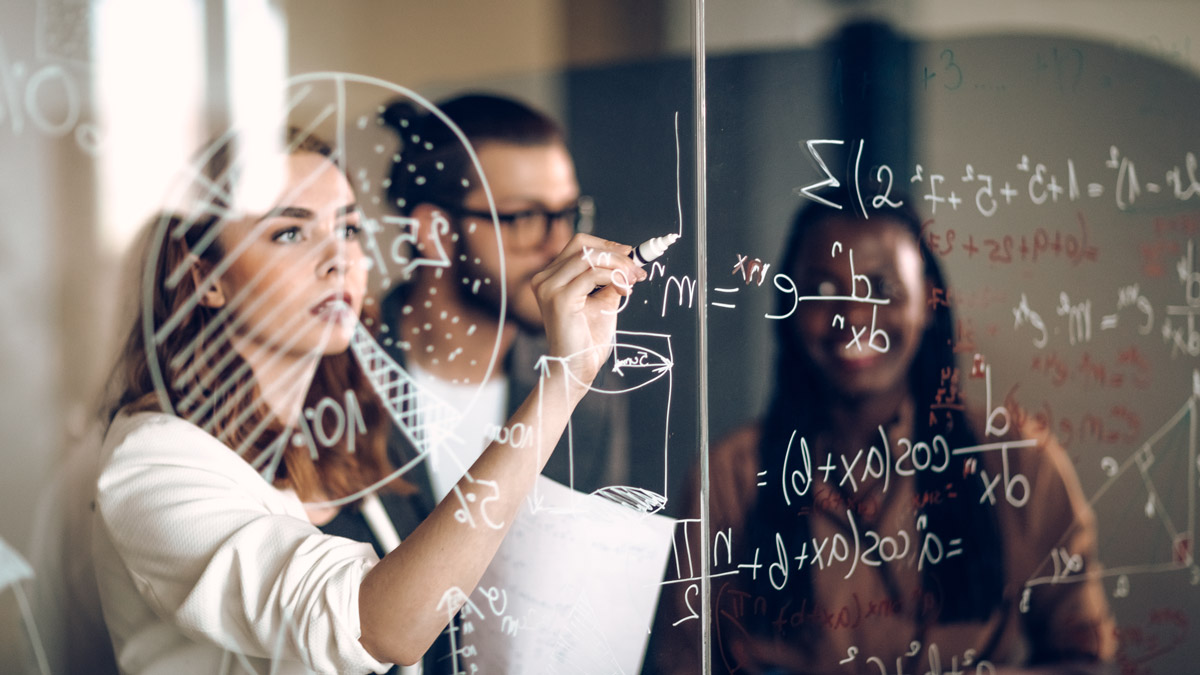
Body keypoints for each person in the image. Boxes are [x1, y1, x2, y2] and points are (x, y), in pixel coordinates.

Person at [91, 126, 648, 674]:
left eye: (350, 229)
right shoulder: (154, 461)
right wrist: (566, 378)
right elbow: (378, 628)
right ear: (203, 274)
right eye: (289, 232)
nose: (339, 259)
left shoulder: (344, 428)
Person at [655, 193, 1115, 674]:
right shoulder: (733, 475)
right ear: (790, 309)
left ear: (930, 302)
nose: (854, 316)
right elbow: (682, 663)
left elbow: (1086, 659)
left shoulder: (1017, 459)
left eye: (882, 289)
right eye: (825, 291)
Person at [365, 92, 630, 508]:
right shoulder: (335, 379)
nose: (561, 246)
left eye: (566, 214)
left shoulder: (588, 393)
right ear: (434, 232)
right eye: (524, 218)